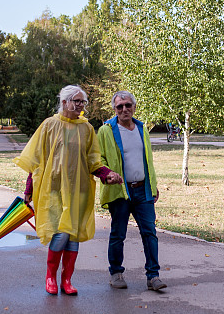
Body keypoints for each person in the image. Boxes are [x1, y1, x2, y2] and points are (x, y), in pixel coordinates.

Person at [14, 85, 122, 295]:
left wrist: (106, 174)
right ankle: (50, 277)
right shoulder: (49, 125)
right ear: (64, 102)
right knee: (61, 232)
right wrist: (29, 189)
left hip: (80, 189)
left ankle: (67, 280)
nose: (81, 105)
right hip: (53, 189)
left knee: (73, 235)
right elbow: (36, 159)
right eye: (76, 101)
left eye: (83, 102)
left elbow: (93, 160)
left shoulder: (86, 128)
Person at [97, 90, 166, 291]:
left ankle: (153, 276)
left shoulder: (142, 129)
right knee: (118, 234)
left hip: (142, 190)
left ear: (134, 107)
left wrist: (152, 184)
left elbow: (147, 160)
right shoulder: (106, 131)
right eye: (120, 106)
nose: (124, 109)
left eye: (128, 105)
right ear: (114, 109)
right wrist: (108, 174)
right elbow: (98, 158)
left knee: (150, 233)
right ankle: (116, 273)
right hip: (120, 191)